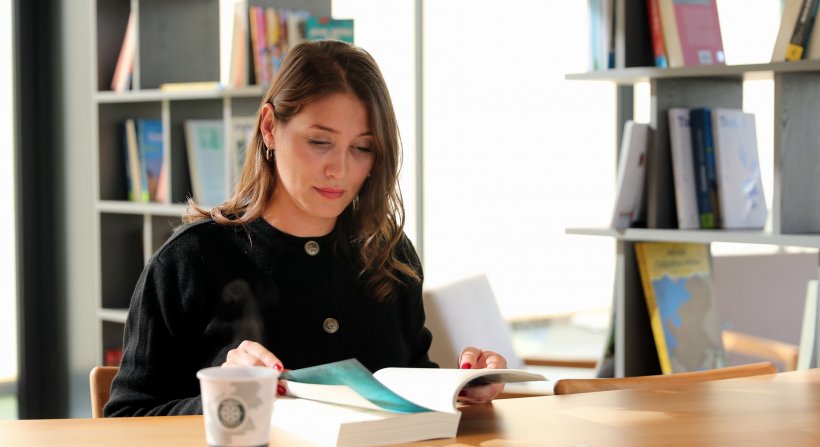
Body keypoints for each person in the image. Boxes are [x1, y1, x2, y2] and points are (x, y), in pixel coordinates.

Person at [105, 40, 506, 417]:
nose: (340, 170)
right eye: (319, 141)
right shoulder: (189, 261)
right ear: (269, 128)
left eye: (362, 148)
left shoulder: (390, 255)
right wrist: (224, 399)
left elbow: (412, 386)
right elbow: (127, 419)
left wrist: (463, 387)